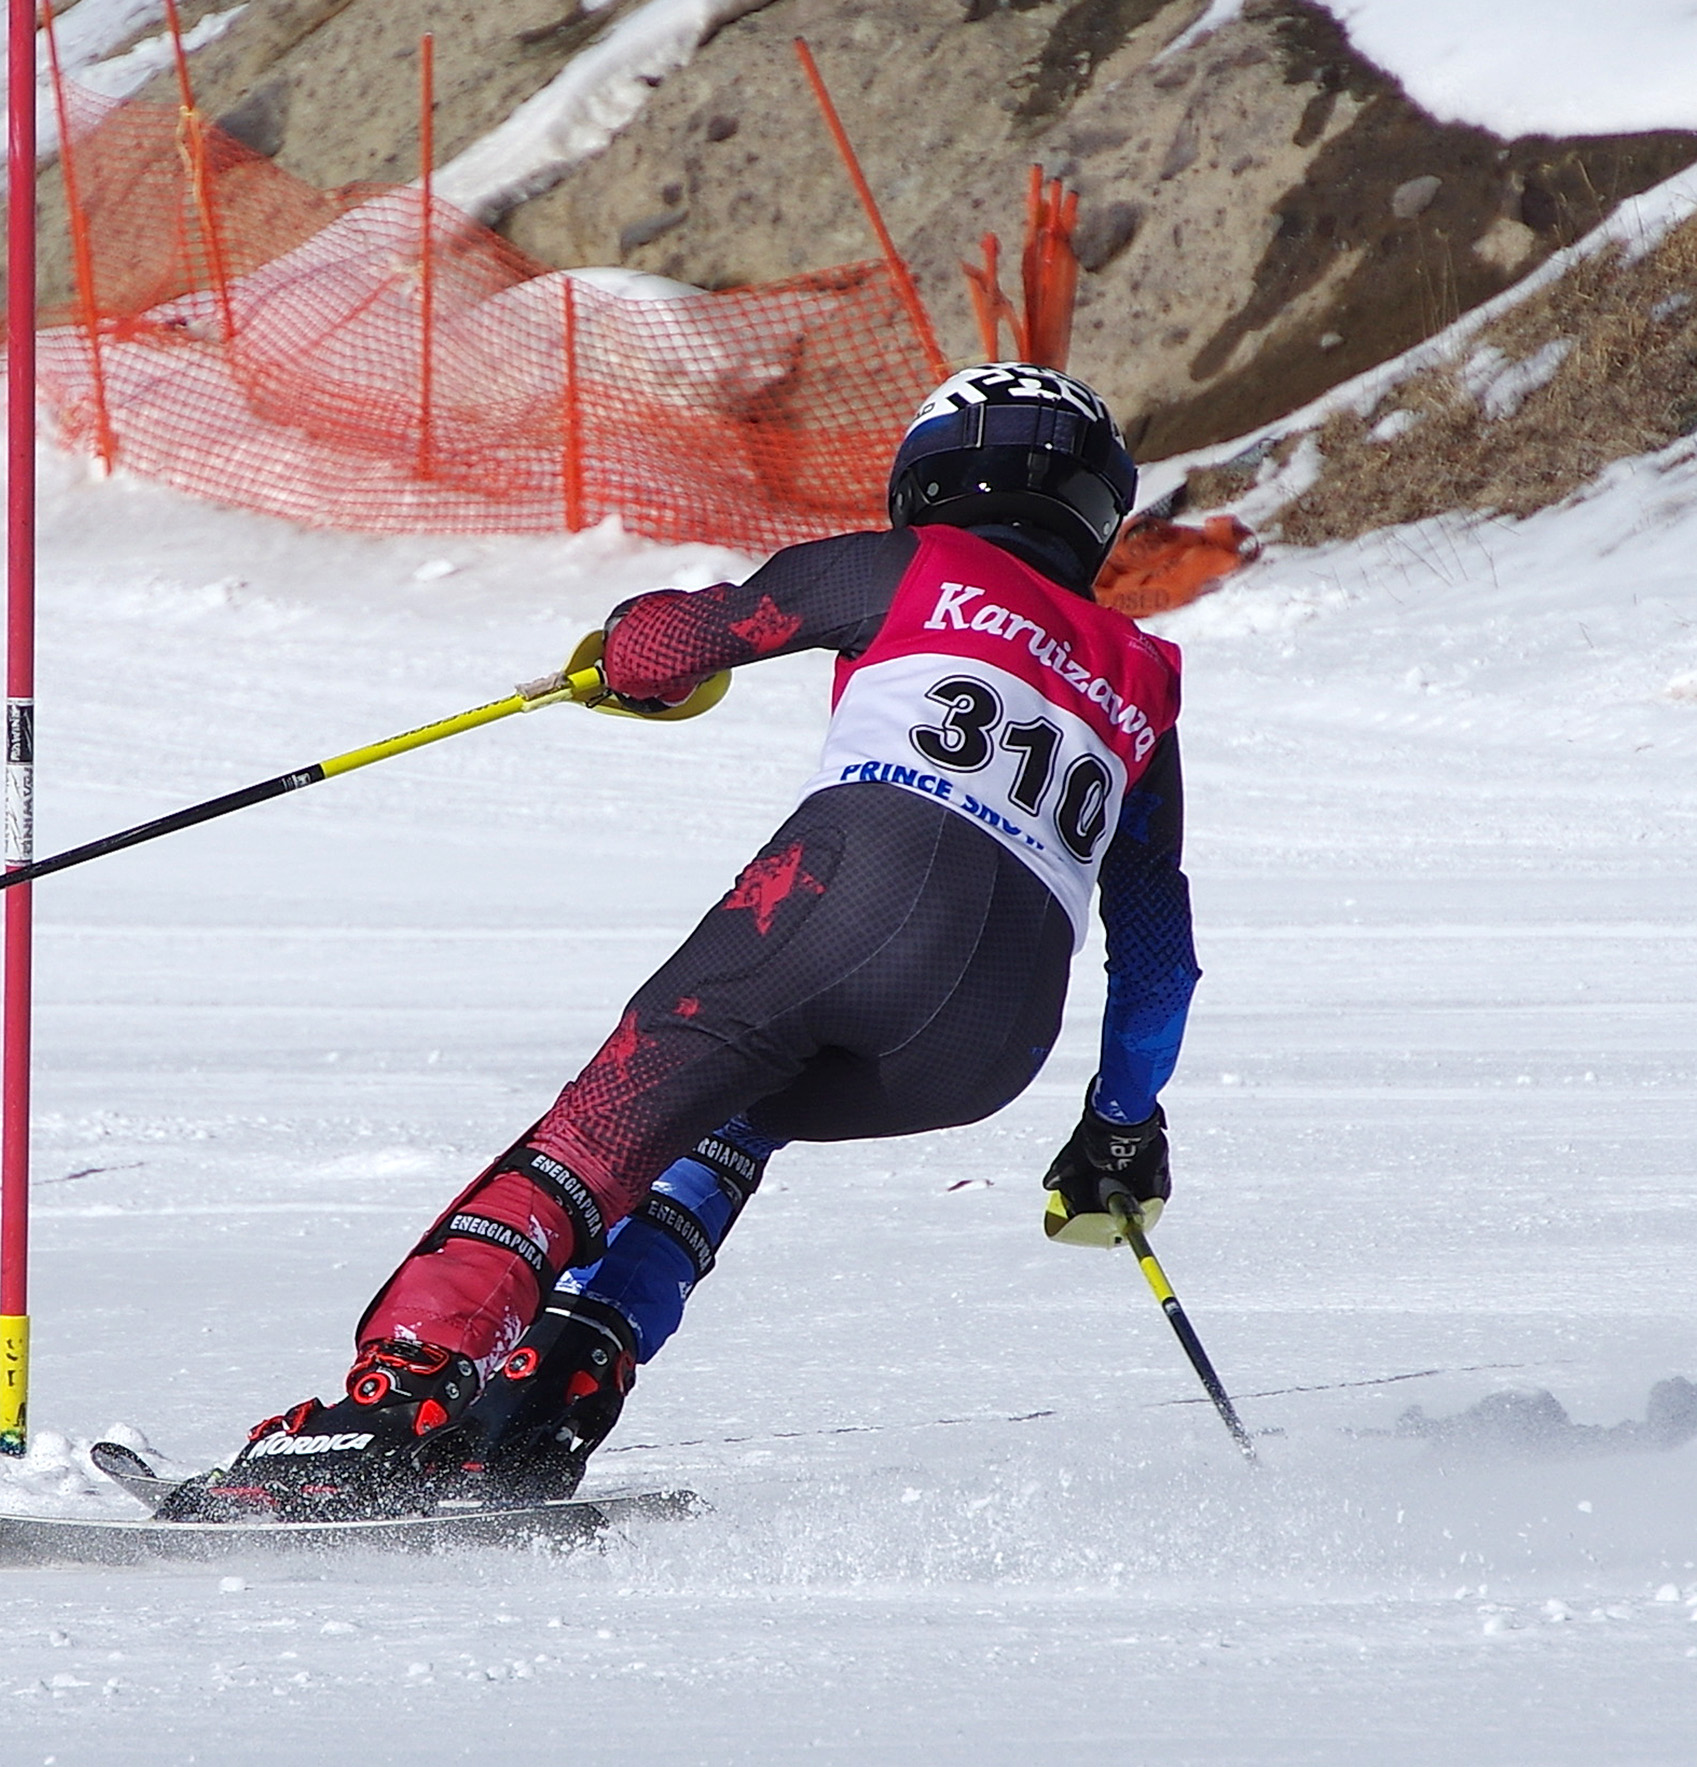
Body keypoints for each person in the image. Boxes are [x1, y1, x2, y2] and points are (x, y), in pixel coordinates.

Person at [160, 364, 1200, 1522]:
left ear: (933, 473)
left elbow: (667, 645)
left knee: (600, 1131)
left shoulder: (907, 564)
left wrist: (612, 661)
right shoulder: (1143, 676)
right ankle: (536, 1412)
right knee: (725, 1119)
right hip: (986, 1048)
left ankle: (389, 1406)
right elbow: (1156, 955)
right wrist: (1119, 1129)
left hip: (850, 897)